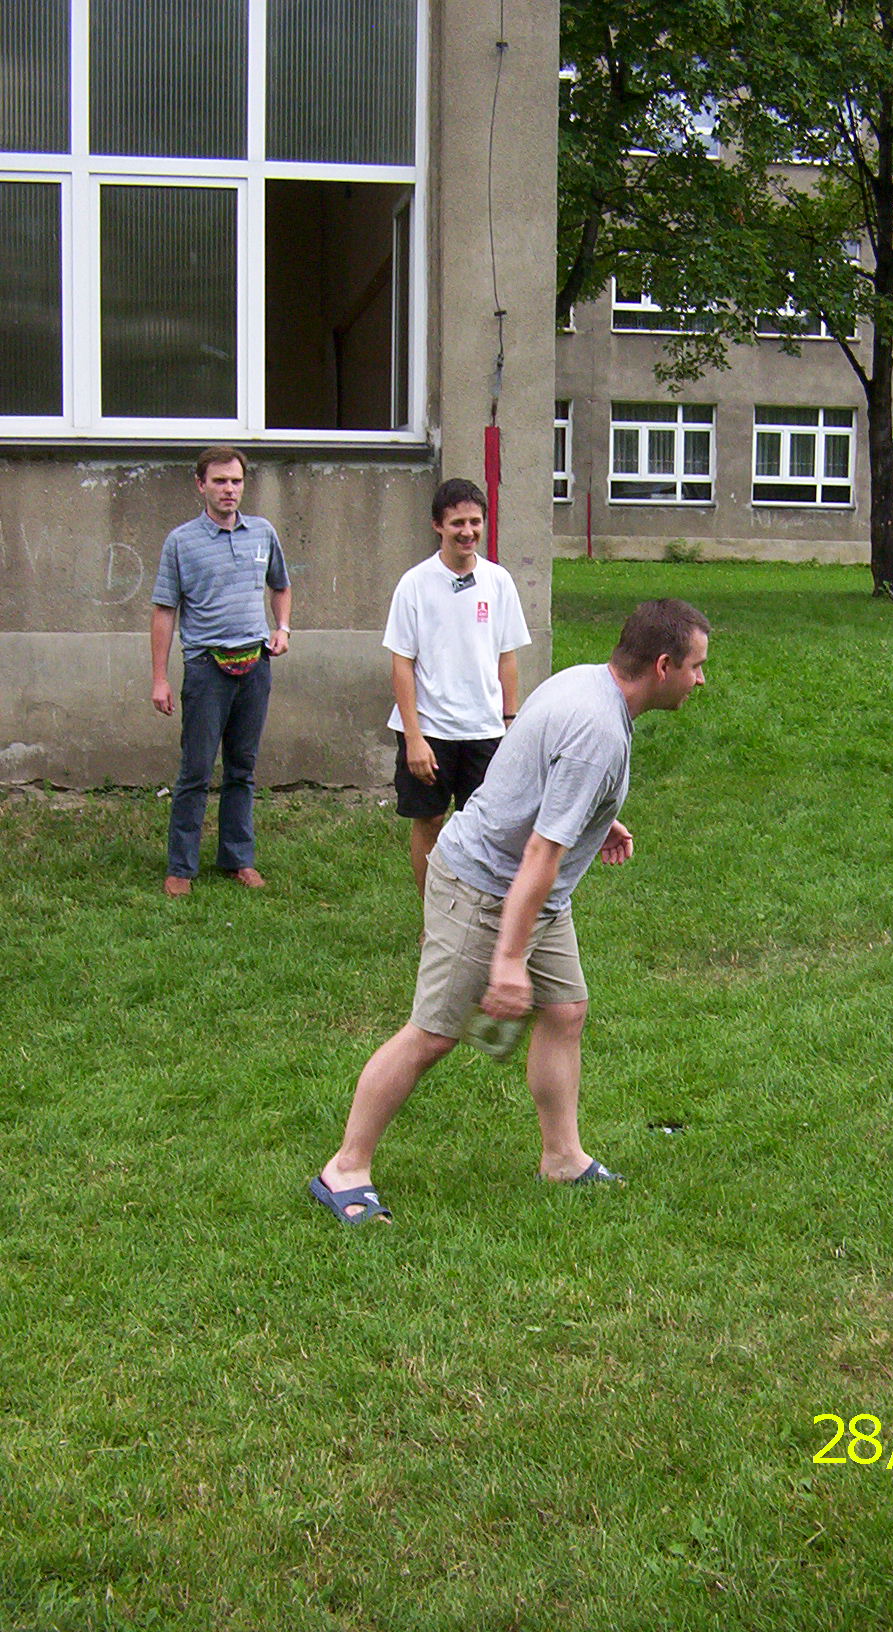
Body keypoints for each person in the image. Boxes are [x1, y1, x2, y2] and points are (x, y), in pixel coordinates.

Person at [310, 597, 711, 1224]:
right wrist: (507, 961)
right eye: (696, 666)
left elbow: (534, 771)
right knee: (433, 1034)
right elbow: (540, 853)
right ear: (663, 666)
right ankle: (345, 1168)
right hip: (484, 887)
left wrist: (595, 817)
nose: (700, 680)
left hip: (530, 891)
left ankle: (563, 1157)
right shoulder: (599, 732)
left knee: (566, 1010)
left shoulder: (586, 682)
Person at [150, 446, 291, 897]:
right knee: (195, 771)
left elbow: (281, 585)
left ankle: (238, 858)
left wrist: (283, 627)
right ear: (201, 485)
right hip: (206, 668)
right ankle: (181, 867)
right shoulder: (180, 542)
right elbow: (164, 610)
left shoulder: (262, 533)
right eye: (219, 481)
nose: (229, 489)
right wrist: (159, 678)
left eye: (236, 481)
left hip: (255, 665)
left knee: (242, 769)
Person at [384, 478, 531, 897]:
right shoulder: (414, 584)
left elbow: (507, 657)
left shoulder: (499, 581)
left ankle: (477, 913)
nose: (468, 532)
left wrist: (510, 721)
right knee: (430, 821)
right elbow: (401, 663)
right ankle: (433, 917)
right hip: (430, 730)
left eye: (475, 522)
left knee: (485, 828)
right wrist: (413, 738)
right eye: (457, 523)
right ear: (438, 526)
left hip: (485, 729)